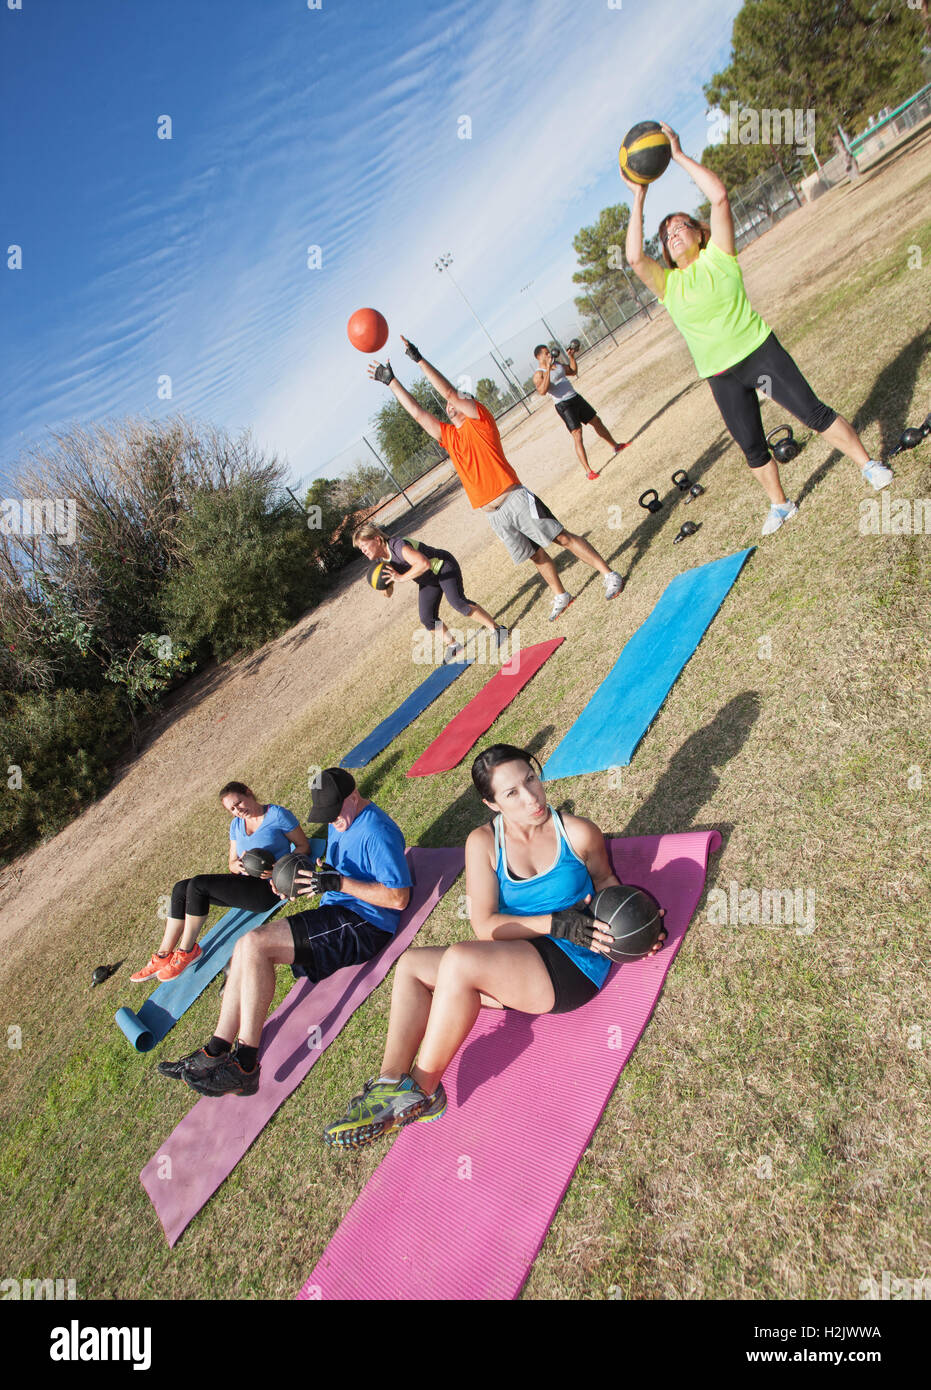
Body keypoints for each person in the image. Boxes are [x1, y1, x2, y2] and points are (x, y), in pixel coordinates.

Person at [322, 744, 666, 1147]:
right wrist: (554, 923)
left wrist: (634, 927)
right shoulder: (483, 843)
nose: (532, 798)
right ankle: (389, 1083)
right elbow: (486, 925)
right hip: (525, 950)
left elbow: (607, 882)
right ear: (491, 802)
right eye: (512, 793)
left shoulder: (577, 832)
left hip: (572, 965)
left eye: (531, 780)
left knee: (461, 962)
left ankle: (424, 1089)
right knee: (412, 964)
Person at [621, 121, 893, 536]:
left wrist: (676, 156)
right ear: (668, 251)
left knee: (811, 412)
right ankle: (781, 505)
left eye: (681, 227)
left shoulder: (720, 257)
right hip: (720, 375)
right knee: (751, 446)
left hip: (758, 353)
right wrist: (639, 195)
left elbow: (719, 196)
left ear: (699, 234)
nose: (674, 234)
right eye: (667, 234)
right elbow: (635, 257)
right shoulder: (669, 285)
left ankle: (869, 465)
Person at [156, 768, 412, 1097]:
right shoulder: (341, 821)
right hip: (336, 909)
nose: (333, 821)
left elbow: (399, 898)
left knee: (255, 946)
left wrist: (338, 883)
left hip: (364, 924)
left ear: (352, 796)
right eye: (327, 816)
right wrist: (299, 879)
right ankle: (214, 1050)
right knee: (243, 947)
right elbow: (334, 871)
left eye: (334, 814)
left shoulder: (376, 830)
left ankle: (246, 1064)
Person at [369, 339, 625, 620]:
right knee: (535, 555)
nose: (449, 405)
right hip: (493, 514)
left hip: (513, 497)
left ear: (468, 404)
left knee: (560, 537)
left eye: (456, 402)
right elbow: (418, 415)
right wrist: (391, 382)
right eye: (447, 405)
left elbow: (451, 393)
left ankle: (608, 574)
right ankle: (561, 595)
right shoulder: (449, 438)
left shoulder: (481, 422)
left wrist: (418, 359)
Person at [130, 782, 310, 983]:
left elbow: (304, 846)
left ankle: (187, 951)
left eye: (239, 803)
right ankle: (163, 955)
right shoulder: (236, 825)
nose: (238, 810)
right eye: (232, 809)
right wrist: (238, 866)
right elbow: (231, 863)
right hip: (244, 881)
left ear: (249, 793)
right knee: (180, 888)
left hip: (267, 888)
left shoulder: (277, 815)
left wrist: (278, 867)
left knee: (198, 885)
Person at [352, 521, 508, 663]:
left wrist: (400, 578)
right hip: (428, 580)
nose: (363, 551)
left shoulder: (398, 546)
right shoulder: (381, 562)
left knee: (458, 603)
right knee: (427, 618)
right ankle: (454, 646)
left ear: (377, 540)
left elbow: (424, 564)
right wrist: (381, 584)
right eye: (361, 549)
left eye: (364, 546)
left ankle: (498, 629)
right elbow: (388, 592)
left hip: (443, 567)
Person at [532, 343, 629, 479]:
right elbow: (542, 391)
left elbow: (572, 371)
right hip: (563, 405)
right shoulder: (539, 374)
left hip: (575, 398)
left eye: (549, 352)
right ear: (538, 357)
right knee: (577, 434)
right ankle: (589, 471)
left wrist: (571, 357)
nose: (549, 355)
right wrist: (547, 369)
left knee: (596, 421)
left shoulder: (557, 364)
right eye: (546, 354)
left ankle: (616, 446)